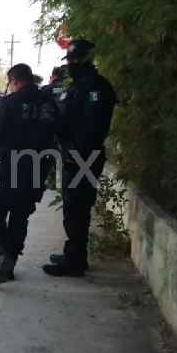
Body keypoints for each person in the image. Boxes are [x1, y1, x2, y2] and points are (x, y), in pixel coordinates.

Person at [0, 64, 58, 283]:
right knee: (20, 217)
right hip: (37, 172)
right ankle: (9, 267)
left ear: (14, 80)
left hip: (8, 170)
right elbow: (57, 135)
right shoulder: (49, 105)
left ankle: (2, 254)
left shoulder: (9, 103)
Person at [44, 39, 118, 277]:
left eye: (77, 59)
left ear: (88, 59)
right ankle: (73, 253)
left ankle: (75, 261)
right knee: (72, 207)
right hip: (73, 156)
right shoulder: (78, 85)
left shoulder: (96, 87)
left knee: (77, 208)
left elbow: (93, 128)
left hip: (82, 158)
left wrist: (76, 154)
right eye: (70, 59)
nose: (73, 63)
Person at [40, 65, 67, 189]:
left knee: (47, 155)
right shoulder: (69, 89)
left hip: (48, 128)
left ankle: (49, 179)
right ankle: (62, 181)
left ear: (54, 76)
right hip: (64, 129)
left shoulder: (46, 90)